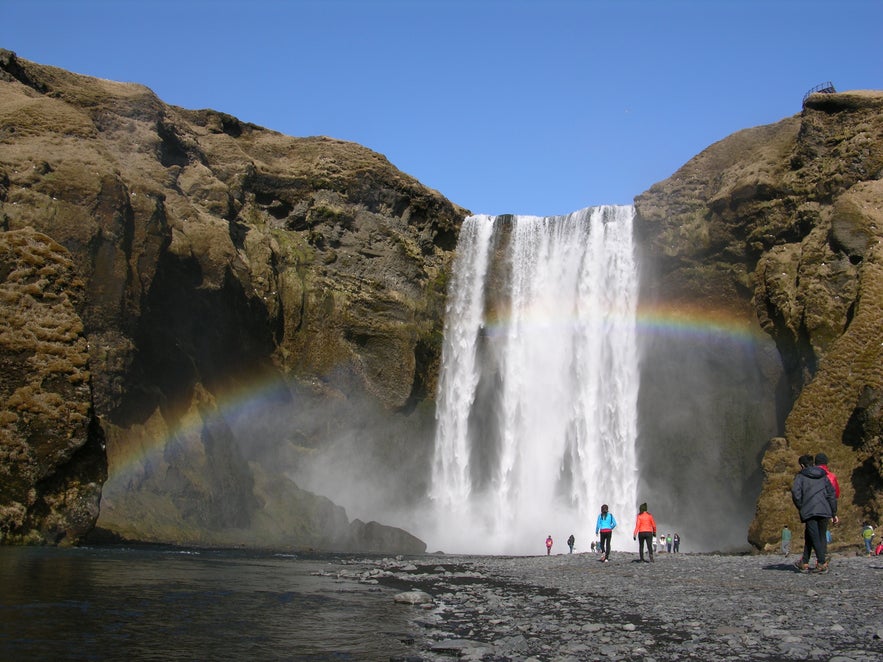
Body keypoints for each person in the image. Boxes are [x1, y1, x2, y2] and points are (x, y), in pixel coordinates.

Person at [791, 454, 838, 574]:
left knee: (814, 536)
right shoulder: (823, 476)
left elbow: (796, 494)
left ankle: (821, 562)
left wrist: (802, 507)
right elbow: (831, 494)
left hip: (810, 511)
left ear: (802, 465)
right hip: (824, 510)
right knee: (816, 536)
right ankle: (804, 561)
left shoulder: (801, 476)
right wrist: (833, 512)